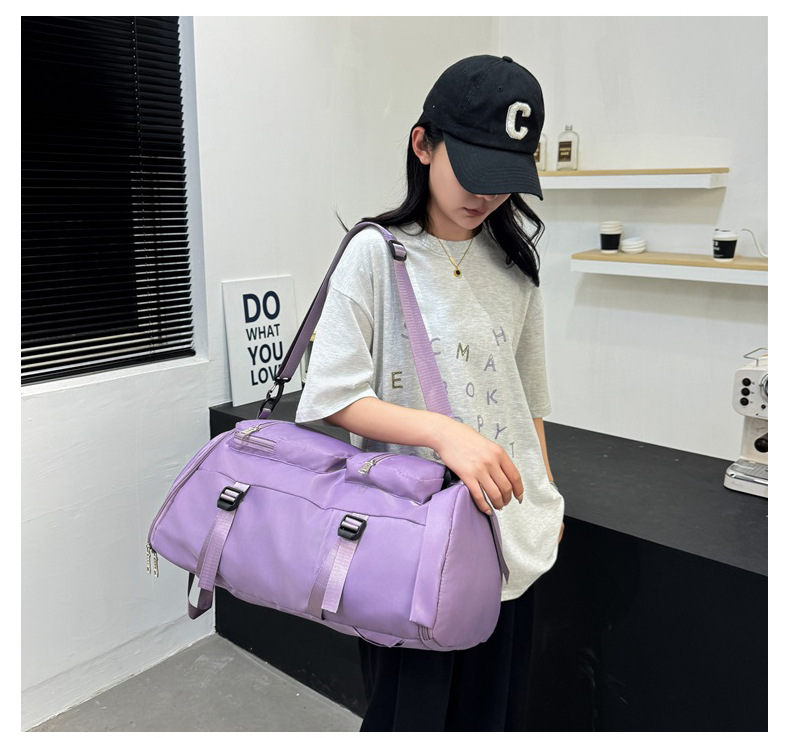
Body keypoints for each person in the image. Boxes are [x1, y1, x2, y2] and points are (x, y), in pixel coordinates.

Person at [295, 54, 565, 732]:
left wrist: (545, 492)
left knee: (492, 715)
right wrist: (447, 434)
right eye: (473, 172)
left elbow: (528, 399)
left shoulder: (516, 268)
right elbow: (331, 395)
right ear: (423, 144)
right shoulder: (374, 253)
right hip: (409, 541)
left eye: (505, 180)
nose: (487, 196)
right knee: (407, 715)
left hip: (510, 533)